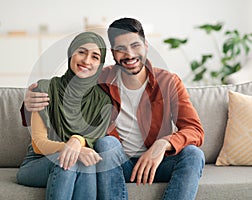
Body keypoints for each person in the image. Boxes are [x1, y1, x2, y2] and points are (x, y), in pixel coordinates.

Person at [22, 18, 205, 200]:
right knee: (106, 144)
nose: (130, 54)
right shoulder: (100, 79)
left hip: (157, 162)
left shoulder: (169, 82)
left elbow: (195, 130)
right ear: (113, 53)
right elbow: (66, 88)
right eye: (121, 49)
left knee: (194, 154)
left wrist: (163, 144)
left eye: (135, 45)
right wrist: (29, 102)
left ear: (146, 46)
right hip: (116, 164)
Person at [17, 32, 112, 200]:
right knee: (72, 160)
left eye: (95, 57)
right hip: (37, 163)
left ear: (100, 64)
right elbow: (38, 144)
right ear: (71, 54)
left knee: (83, 163)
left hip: (77, 163)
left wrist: (77, 146)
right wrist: (71, 148)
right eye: (81, 52)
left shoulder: (103, 102)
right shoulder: (45, 88)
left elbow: (93, 138)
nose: (86, 60)